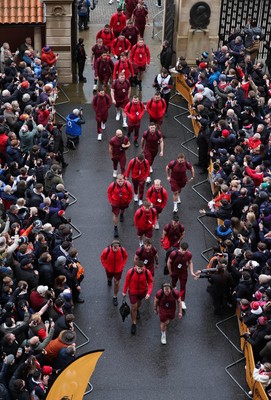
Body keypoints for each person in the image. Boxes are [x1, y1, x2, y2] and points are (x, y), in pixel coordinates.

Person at [122, 260, 153, 335]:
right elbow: (127, 281)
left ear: (143, 267)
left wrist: (148, 293)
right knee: (133, 307)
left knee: (138, 304)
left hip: (142, 292)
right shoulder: (130, 272)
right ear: (135, 266)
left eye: (141, 268)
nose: (140, 270)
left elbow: (150, 282)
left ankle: (137, 310)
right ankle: (134, 323)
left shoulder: (147, 272)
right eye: (139, 268)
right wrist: (124, 291)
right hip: (133, 292)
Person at [167, 242, 197, 310]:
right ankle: (174, 289)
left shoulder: (189, 254)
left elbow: (190, 262)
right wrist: (170, 272)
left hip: (183, 272)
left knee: (183, 286)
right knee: (174, 283)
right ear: (179, 248)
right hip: (174, 271)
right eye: (182, 249)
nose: (183, 251)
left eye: (185, 250)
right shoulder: (174, 254)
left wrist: (192, 272)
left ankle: (182, 301)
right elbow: (169, 262)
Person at [100, 240, 128, 306]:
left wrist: (122, 265)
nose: (115, 248)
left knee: (116, 282)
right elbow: (102, 258)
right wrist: (106, 266)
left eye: (117, 246)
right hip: (109, 270)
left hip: (118, 270)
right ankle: (109, 280)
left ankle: (115, 296)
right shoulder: (106, 250)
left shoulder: (122, 250)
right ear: (111, 246)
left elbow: (125, 257)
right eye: (114, 246)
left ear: (119, 246)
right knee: (109, 278)